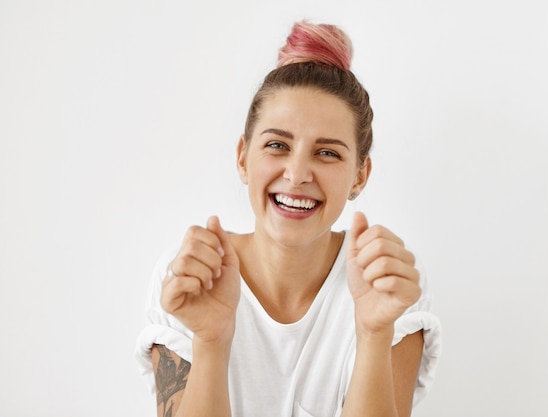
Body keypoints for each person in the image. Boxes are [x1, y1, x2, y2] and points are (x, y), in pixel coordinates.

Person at [135, 20, 441, 417]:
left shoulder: (384, 277)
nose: (297, 174)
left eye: (327, 153)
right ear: (243, 158)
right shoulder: (190, 274)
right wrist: (210, 343)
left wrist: (374, 334)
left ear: (360, 175)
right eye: (277, 145)